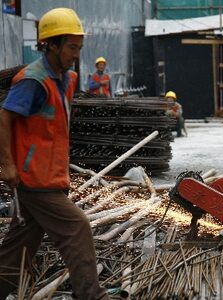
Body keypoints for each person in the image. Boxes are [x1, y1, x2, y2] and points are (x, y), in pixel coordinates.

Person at [0, 8, 110, 300]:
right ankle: (92, 295)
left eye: (79, 47)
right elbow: (5, 117)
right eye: (71, 47)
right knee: (77, 228)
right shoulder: (32, 80)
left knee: (18, 250)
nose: (76, 54)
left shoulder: (67, 79)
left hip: (49, 176)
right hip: (34, 180)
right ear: (51, 44)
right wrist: (8, 165)